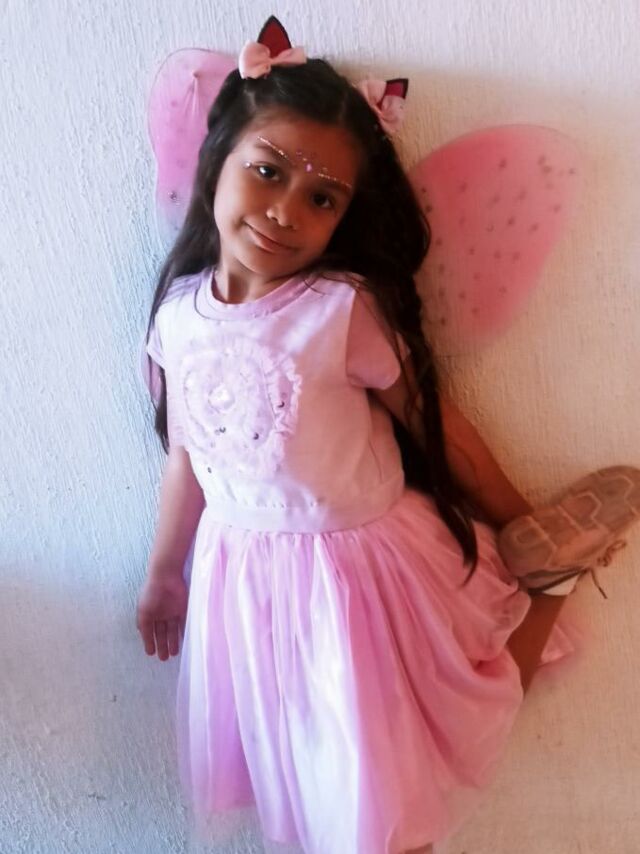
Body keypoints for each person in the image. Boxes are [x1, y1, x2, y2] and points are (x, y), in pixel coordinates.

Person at [135, 20, 602, 854]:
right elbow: (186, 459)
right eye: (267, 171)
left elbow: (434, 422)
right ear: (217, 160)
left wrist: (521, 521)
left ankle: (553, 572)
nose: (286, 210)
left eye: (322, 198)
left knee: (393, 785)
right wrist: (166, 575)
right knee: (311, 786)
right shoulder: (177, 317)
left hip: (357, 580)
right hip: (247, 588)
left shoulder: (338, 310)